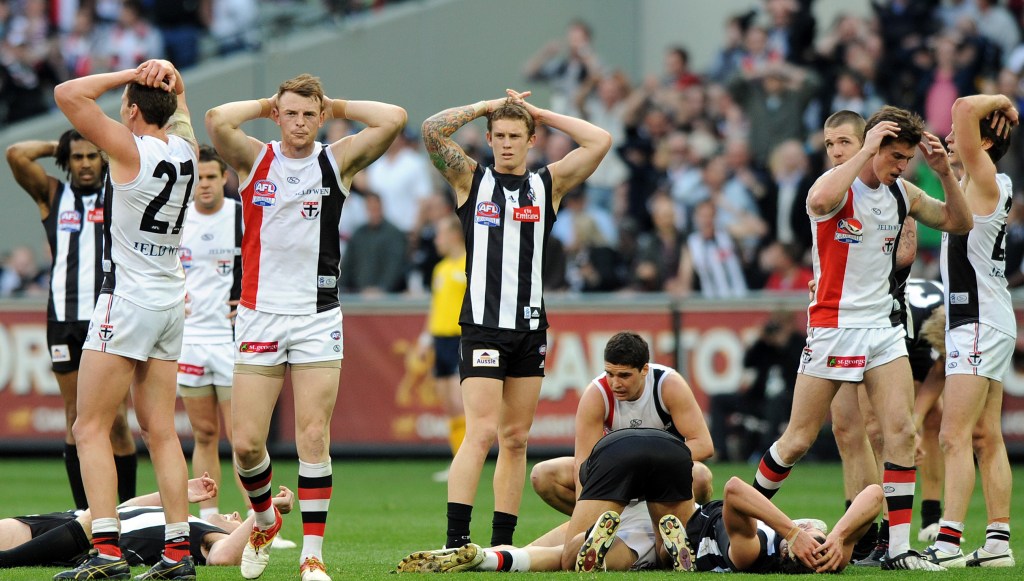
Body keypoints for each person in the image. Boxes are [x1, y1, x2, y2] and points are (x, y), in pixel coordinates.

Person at [749, 105, 973, 571]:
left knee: (900, 433)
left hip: (882, 330)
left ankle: (897, 549)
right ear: (875, 146)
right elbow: (817, 203)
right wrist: (866, 149)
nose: (901, 165)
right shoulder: (835, 186)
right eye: (896, 156)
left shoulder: (902, 192)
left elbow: (960, 222)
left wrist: (945, 173)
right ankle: (739, 519)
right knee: (798, 440)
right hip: (832, 328)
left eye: (907, 158)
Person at [205, 74, 406, 581]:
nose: (298, 123)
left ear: (321, 118)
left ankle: (312, 555)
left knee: (313, 436)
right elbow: (215, 120)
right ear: (277, 115)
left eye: (308, 114)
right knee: (248, 443)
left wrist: (335, 102)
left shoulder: (335, 160)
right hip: (259, 315)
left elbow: (394, 118)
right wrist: (266, 101)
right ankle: (266, 519)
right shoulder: (255, 158)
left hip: (318, 317)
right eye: (289, 113)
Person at [421, 89, 610, 549]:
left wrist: (541, 112)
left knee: (516, 438)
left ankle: (502, 543)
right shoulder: (471, 180)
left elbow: (600, 140)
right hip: (483, 326)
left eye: (516, 136)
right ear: (488, 137)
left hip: (530, 328)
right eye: (499, 135)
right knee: (481, 430)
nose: (506, 143)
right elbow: (431, 130)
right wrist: (484, 105)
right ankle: (456, 540)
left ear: (531, 141)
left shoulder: (548, 185)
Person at [53, 58, 199, 580]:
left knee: (88, 426)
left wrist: (126, 75)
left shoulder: (128, 148)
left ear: (133, 110)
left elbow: (68, 94)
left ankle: (108, 552)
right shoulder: (187, 151)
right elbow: (181, 114)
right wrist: (172, 83)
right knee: (161, 431)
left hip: (129, 299)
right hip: (169, 300)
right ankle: (178, 554)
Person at [5, 129, 138, 510]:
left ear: (103, 160)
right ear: (68, 161)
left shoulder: (119, 192)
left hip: (110, 317)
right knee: (75, 417)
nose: (83, 164)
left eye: (92, 156)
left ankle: (127, 513)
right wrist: (56, 146)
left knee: (115, 422)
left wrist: (104, 142)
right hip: (63, 320)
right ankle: (87, 515)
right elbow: (15, 153)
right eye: (76, 157)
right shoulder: (52, 195)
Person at [397, 428, 711, 573]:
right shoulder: (695, 491)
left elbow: (583, 464)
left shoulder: (598, 390)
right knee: (572, 558)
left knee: (547, 552)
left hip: (616, 500)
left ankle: (485, 556)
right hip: (658, 513)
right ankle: (667, 552)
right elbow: (701, 475)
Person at [923, 94, 1018, 568]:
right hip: (985, 318)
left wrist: (1003, 101)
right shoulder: (970, 184)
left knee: (952, 436)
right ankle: (998, 544)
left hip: (977, 321)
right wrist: (943, 169)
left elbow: (961, 106)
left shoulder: (985, 180)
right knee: (986, 435)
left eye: (958, 137)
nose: (948, 137)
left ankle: (946, 544)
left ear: (980, 142)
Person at [530, 331, 713, 517]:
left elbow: (704, 445)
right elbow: (584, 464)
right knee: (543, 475)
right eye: (610, 374)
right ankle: (607, 526)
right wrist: (583, 520)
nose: (615, 383)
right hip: (616, 474)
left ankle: (693, 527)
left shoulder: (668, 385)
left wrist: (648, 465)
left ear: (644, 370)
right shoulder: (596, 394)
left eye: (624, 376)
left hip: (662, 473)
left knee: (700, 477)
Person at [0, 474, 295, 570]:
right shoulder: (183, 517)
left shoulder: (203, 534)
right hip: (71, 518)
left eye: (235, 521)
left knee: (101, 518)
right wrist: (178, 492)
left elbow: (224, 557)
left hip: (88, 536)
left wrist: (262, 510)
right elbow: (125, 507)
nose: (233, 514)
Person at [177, 144, 244, 522]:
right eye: (198, 178)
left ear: (224, 179)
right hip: (189, 339)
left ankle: (260, 520)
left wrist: (251, 296)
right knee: (204, 433)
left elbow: (266, 261)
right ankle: (208, 518)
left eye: (210, 177)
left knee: (242, 439)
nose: (204, 185)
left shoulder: (241, 216)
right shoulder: (178, 219)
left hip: (231, 339)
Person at [687, 477, 883, 574]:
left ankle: (670, 553)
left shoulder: (752, 553)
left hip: (698, 524)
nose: (807, 526)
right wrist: (839, 536)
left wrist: (793, 532)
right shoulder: (831, 561)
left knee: (699, 475)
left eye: (806, 531)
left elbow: (734, 488)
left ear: (786, 552)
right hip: (731, 508)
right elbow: (875, 494)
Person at [413, 214, 467, 483]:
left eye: (440, 235)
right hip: (440, 339)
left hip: (461, 338)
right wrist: (425, 339)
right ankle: (458, 460)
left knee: (461, 403)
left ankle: (468, 462)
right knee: (449, 404)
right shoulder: (441, 269)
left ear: (455, 235)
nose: (436, 240)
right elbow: (435, 307)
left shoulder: (470, 264)